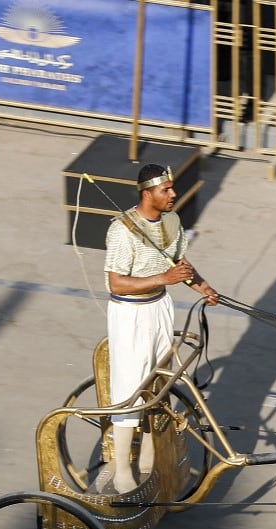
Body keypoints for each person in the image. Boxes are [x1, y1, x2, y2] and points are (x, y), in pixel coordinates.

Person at [96, 163, 218, 494]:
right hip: (130, 315)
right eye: (166, 190)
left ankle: (149, 460)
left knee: (159, 383)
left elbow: (181, 268)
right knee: (131, 387)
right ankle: (122, 468)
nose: (173, 194)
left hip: (160, 308)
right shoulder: (121, 231)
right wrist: (164, 278)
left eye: (172, 188)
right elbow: (117, 283)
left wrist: (203, 287)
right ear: (147, 193)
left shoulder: (172, 223)